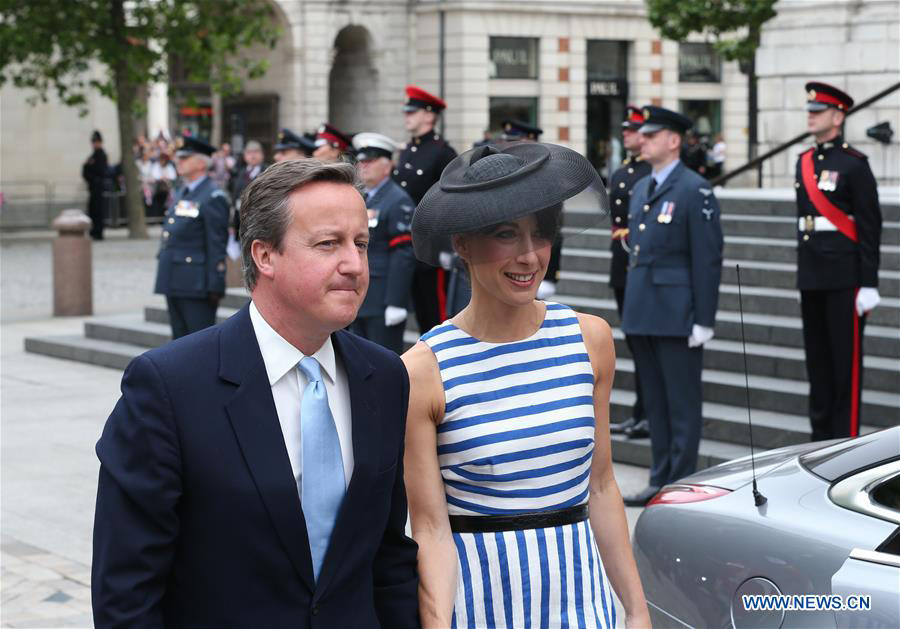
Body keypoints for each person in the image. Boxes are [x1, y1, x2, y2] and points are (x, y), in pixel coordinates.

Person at [92, 158, 420, 628]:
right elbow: (126, 591)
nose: (354, 264)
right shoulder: (168, 387)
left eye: (361, 244)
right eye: (329, 244)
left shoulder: (384, 377)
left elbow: (388, 555)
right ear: (265, 256)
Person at [403, 142, 651, 628]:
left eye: (540, 233)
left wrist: (637, 611)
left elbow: (600, 487)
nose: (530, 255)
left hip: (585, 608)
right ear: (462, 244)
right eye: (505, 234)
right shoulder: (424, 370)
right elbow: (430, 530)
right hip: (481, 609)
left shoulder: (589, 339)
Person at [620, 106, 724, 507]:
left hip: (678, 313)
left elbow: (707, 257)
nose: (642, 140)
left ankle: (682, 484)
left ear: (674, 140)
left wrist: (705, 318)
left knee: (681, 404)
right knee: (658, 406)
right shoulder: (644, 187)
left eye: (651, 135)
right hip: (644, 310)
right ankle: (659, 477)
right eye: (642, 135)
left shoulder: (694, 188)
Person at [795, 82, 882, 441]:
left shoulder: (855, 165)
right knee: (818, 368)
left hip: (845, 279)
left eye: (818, 112)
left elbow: (869, 225)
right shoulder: (803, 162)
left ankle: (844, 443)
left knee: (844, 370)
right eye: (810, 111)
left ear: (838, 115)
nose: (811, 116)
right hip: (812, 275)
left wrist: (869, 281)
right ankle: (820, 441)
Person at [393, 85, 458, 334]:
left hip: (432, 251)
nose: (407, 116)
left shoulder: (443, 153)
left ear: (429, 116)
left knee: (436, 317)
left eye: (413, 112)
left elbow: (449, 202)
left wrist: (445, 248)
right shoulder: (408, 151)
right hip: (407, 246)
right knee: (418, 314)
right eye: (407, 112)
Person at [152, 135, 230, 340]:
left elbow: (216, 244)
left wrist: (215, 284)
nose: (178, 161)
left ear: (201, 162)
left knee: (198, 344)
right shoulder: (183, 191)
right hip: (174, 278)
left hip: (196, 284)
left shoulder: (212, 196)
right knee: (179, 342)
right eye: (178, 157)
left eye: (185, 157)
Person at [607, 106, 652, 440]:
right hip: (621, 264)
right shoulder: (623, 171)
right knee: (634, 341)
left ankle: (648, 413)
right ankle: (639, 412)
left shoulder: (650, 172)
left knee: (645, 346)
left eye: (633, 130)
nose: (627, 135)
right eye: (626, 130)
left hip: (639, 261)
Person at [350, 132, 417, 354]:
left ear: (387, 166)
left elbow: (403, 253)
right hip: (359, 296)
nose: (363, 166)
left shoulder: (397, 200)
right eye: (361, 161)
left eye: (370, 162)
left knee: (383, 362)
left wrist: (396, 301)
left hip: (382, 300)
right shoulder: (360, 198)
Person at [230, 139, 268, 237]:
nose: (252, 156)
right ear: (244, 156)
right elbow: (235, 199)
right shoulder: (240, 172)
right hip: (241, 223)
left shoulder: (268, 172)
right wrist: (232, 224)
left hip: (261, 223)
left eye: (256, 152)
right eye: (249, 152)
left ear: (262, 154)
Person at [82, 130, 109, 240]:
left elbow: (100, 170)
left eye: (96, 142)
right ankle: (94, 231)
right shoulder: (93, 155)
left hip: (98, 186)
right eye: (94, 142)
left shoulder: (101, 155)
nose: (95, 144)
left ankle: (98, 232)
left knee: (98, 211)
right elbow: (86, 170)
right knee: (93, 210)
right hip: (93, 187)